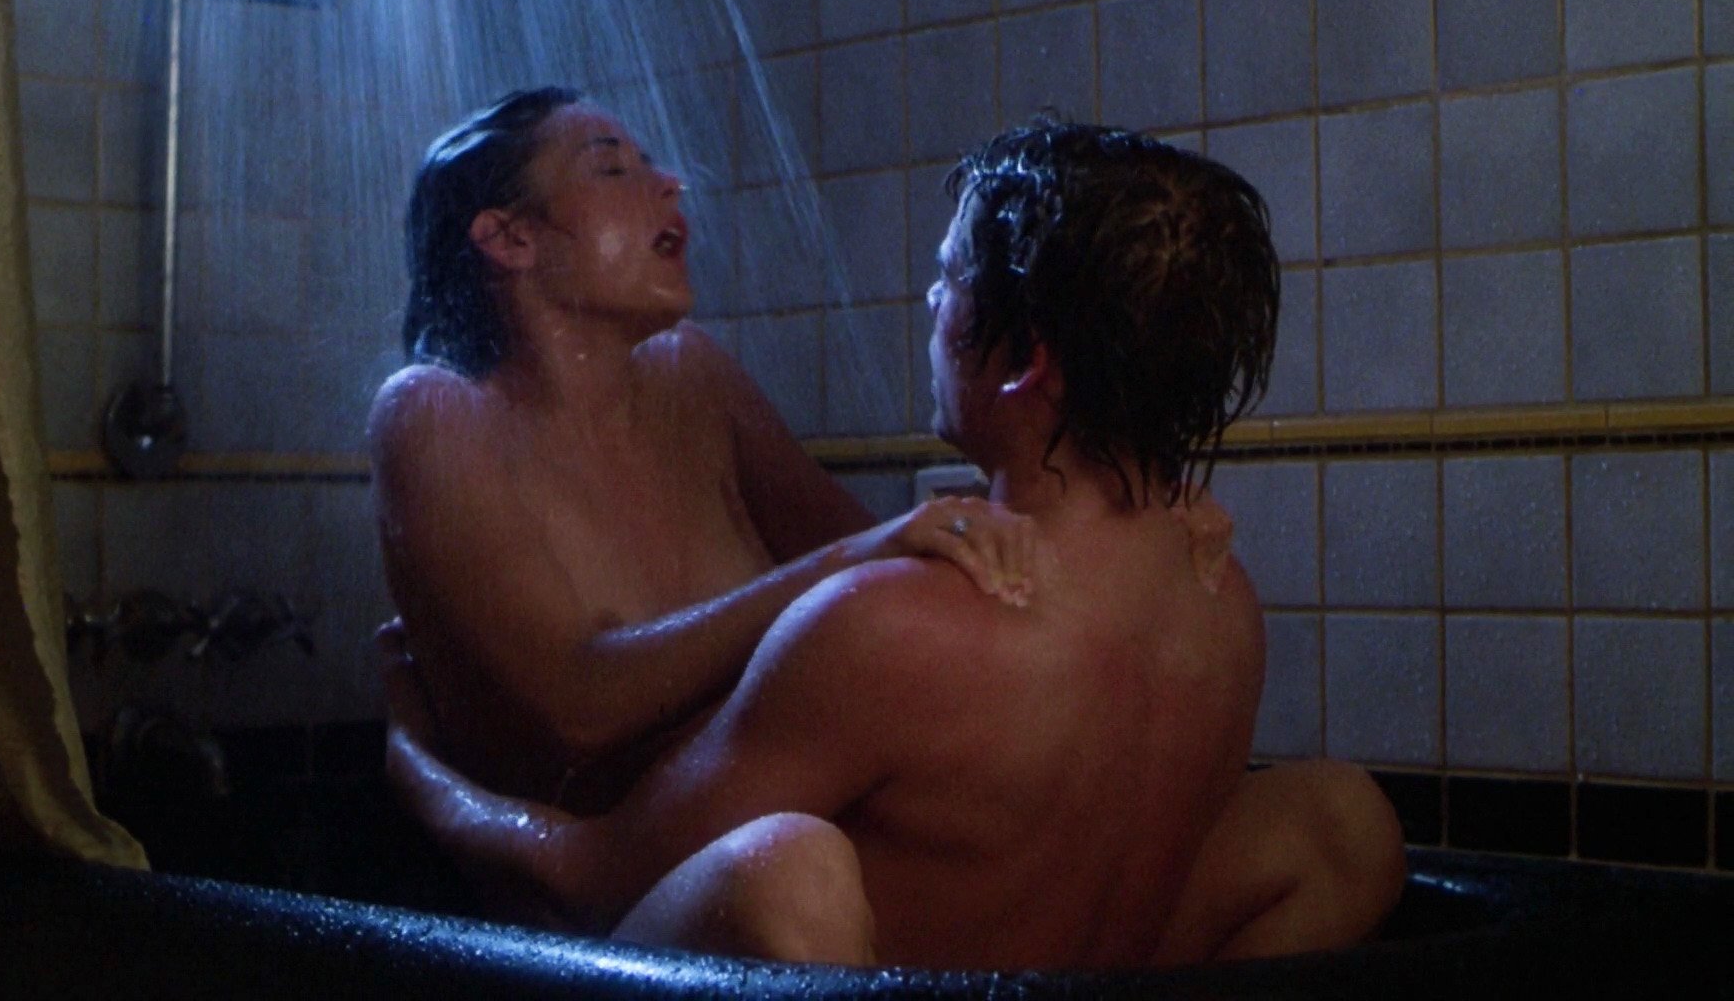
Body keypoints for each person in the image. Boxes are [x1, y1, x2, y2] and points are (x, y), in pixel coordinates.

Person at [383, 120, 1406, 969]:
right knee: (1341, 819)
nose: (929, 300)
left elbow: (599, 878)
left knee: (785, 871)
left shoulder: (887, 629)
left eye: (948, 276)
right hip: (1079, 957)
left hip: (748, 912)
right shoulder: (1220, 599)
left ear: (1026, 359)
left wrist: (422, 774)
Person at [369, 87, 1039, 823]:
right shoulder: (433, 416)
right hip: (590, 880)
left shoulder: (691, 377)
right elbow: (578, 709)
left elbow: (886, 575)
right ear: (509, 239)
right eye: (612, 169)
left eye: (650, 163)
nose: (670, 184)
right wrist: (855, 557)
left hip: (771, 832)